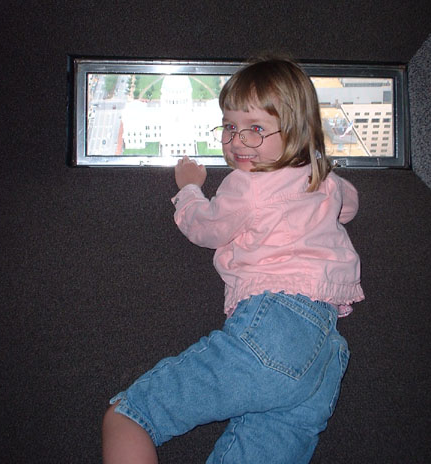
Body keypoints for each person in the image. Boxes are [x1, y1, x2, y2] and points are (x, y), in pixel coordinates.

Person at [102, 57, 365, 463]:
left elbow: (207, 227)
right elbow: (349, 205)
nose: (238, 141)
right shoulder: (325, 181)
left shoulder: (248, 185)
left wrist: (189, 190)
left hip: (273, 329)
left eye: (255, 129)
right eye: (229, 127)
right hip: (323, 352)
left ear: (296, 130)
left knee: (130, 416)